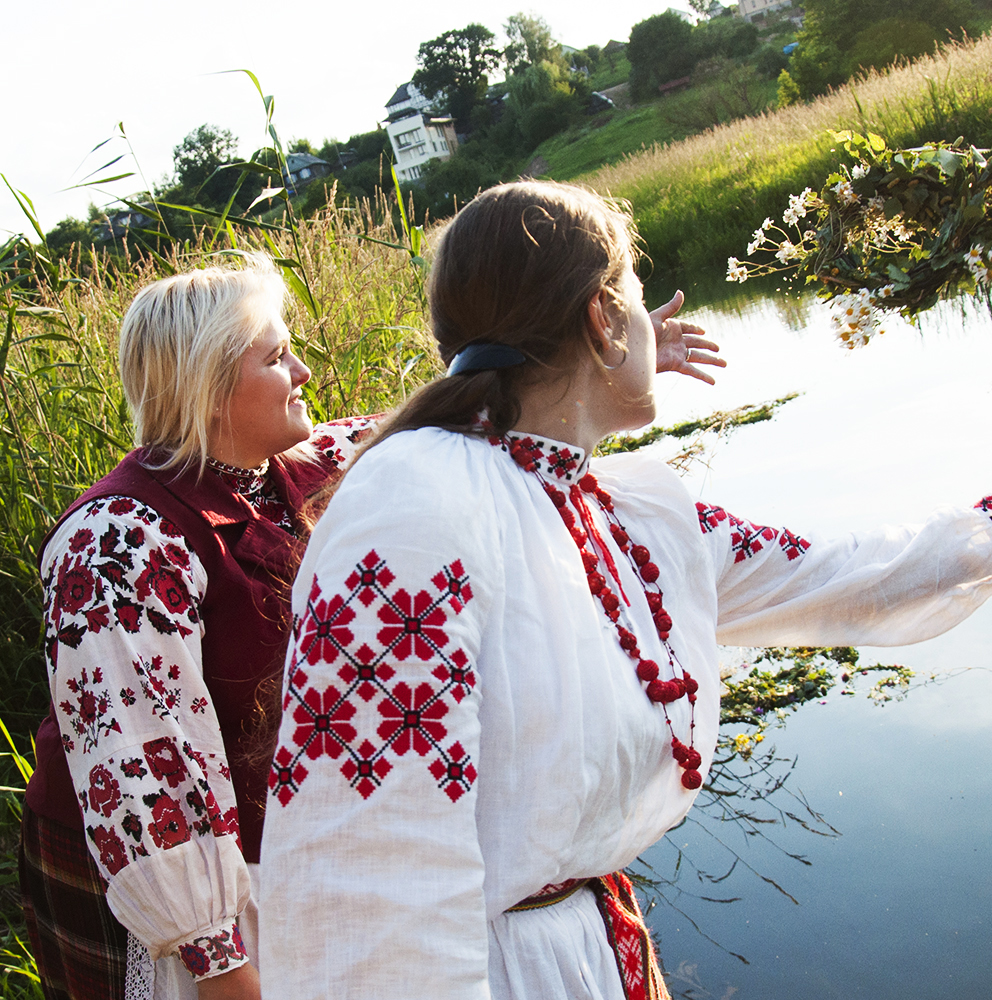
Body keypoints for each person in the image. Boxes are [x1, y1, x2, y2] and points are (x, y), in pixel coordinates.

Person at [257, 180, 992, 1000]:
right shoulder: (417, 495)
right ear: (604, 319)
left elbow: (823, 569)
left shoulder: (627, 511)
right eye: (636, 292)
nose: (647, 312)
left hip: (588, 950)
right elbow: (365, 858)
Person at [15, 251, 726, 1000]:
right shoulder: (118, 541)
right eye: (278, 357)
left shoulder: (317, 460)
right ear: (210, 383)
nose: (305, 375)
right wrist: (219, 966)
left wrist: (608, 359)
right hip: (155, 880)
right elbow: (146, 778)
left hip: (271, 849)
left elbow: (469, 425)